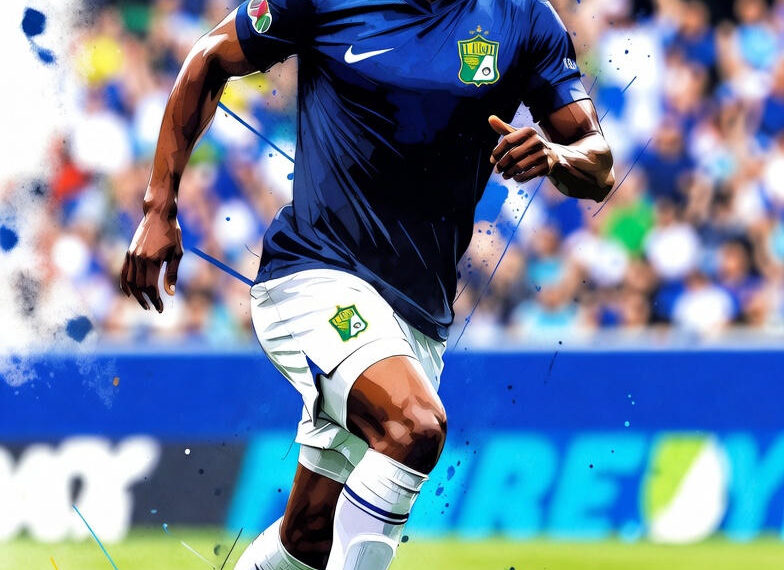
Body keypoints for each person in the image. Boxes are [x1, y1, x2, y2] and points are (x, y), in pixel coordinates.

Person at [120, 0, 615, 568]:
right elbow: (210, 57)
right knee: (413, 426)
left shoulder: (523, 17)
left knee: (308, 538)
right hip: (312, 273)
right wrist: (159, 206)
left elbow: (598, 161)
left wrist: (554, 155)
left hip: (418, 313)